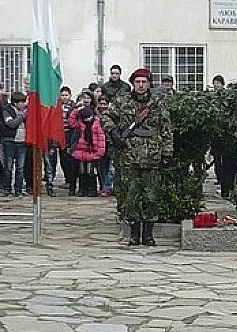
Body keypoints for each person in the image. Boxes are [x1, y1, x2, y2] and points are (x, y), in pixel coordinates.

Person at [101, 67, 173, 246]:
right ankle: (134, 234)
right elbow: (106, 117)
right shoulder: (122, 101)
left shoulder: (157, 103)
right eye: (138, 82)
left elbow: (166, 129)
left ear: (149, 84)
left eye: (144, 82)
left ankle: (148, 234)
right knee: (130, 196)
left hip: (152, 156)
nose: (141, 85)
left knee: (151, 197)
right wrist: (114, 134)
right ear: (133, 83)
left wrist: (167, 153)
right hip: (128, 156)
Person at [70, 104, 107, 197]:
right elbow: (71, 122)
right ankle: (82, 189)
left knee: (91, 171)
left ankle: (92, 189)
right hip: (81, 151)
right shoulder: (80, 124)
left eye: (89, 117)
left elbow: (101, 138)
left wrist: (100, 152)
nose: (87, 120)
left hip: (93, 151)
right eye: (85, 118)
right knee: (82, 171)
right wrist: (77, 110)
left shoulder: (97, 124)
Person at [0, 91, 28, 197]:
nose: (24, 104)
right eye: (22, 102)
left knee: (20, 168)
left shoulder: (26, 111)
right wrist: (21, 117)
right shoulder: (7, 110)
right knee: (8, 167)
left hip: (22, 142)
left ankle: (18, 189)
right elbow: (11, 124)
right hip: (10, 142)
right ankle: (7, 188)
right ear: (16, 103)